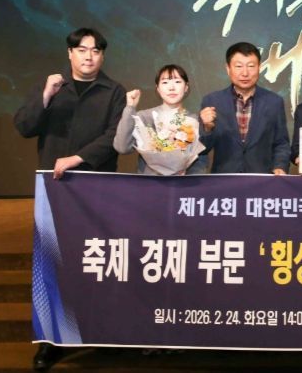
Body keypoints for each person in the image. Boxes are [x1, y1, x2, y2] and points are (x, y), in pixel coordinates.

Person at [13, 27, 126, 370]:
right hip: (55, 191)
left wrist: (77, 158)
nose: (89, 56)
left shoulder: (114, 91)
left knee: (96, 261)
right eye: (82, 49)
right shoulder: (52, 86)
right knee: (53, 265)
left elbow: (115, 137)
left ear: (102, 56)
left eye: (95, 50)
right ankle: (50, 341)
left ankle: (98, 333)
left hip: (97, 189)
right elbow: (24, 126)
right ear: (70, 53)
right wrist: (45, 96)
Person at [199, 42, 290, 174]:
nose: (245, 73)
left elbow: (281, 143)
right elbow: (203, 149)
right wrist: (207, 128)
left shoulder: (274, 102)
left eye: (251, 66)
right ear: (228, 69)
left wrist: (280, 167)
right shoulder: (212, 101)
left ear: (259, 68)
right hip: (224, 178)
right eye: (238, 66)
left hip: (262, 178)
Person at [114, 64, 215, 174]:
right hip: (149, 182)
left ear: (186, 87)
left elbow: (201, 160)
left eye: (177, 82)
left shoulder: (196, 121)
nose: (171, 87)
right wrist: (130, 107)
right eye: (165, 82)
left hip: (185, 183)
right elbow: (122, 148)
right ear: (158, 88)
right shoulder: (145, 117)